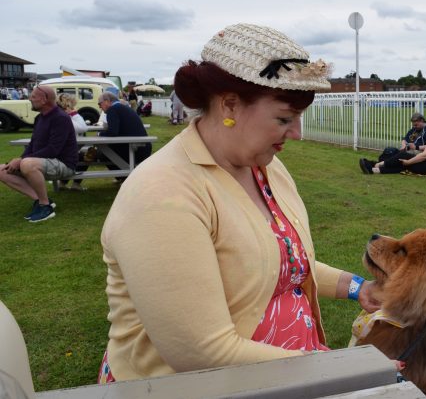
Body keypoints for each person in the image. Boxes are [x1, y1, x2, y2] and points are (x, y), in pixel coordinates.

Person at [97, 23, 382, 383]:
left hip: (278, 376)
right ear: (229, 103)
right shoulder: (161, 196)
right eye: (284, 118)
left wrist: (359, 287)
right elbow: (203, 353)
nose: (296, 133)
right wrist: (330, 370)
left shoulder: (266, 168)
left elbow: (287, 263)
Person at [0, 85, 78, 222]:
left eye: (33, 96)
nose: (30, 98)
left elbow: (54, 149)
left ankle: (45, 206)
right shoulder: (40, 118)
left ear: (44, 99)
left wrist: (22, 160)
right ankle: (41, 199)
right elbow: (32, 145)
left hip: (64, 164)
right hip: (44, 162)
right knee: (2, 170)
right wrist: (20, 159)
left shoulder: (61, 118)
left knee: (27, 164)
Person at [359, 116, 426, 175]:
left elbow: (425, 155)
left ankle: (376, 164)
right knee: (402, 164)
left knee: (403, 157)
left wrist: (409, 161)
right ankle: (374, 170)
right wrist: (416, 148)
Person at [97, 91, 152, 174]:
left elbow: (113, 132)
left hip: (135, 150)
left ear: (107, 101)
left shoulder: (112, 110)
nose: (100, 107)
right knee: (106, 150)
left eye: (99, 104)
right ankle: (123, 177)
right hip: (143, 147)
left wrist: (100, 134)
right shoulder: (123, 107)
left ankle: (124, 177)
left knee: (102, 153)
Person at [56, 93, 89, 191]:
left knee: (80, 154)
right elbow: (83, 128)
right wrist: (74, 114)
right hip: (63, 152)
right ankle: (75, 183)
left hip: (60, 150)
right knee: (87, 155)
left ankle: (63, 183)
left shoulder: (57, 114)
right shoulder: (64, 116)